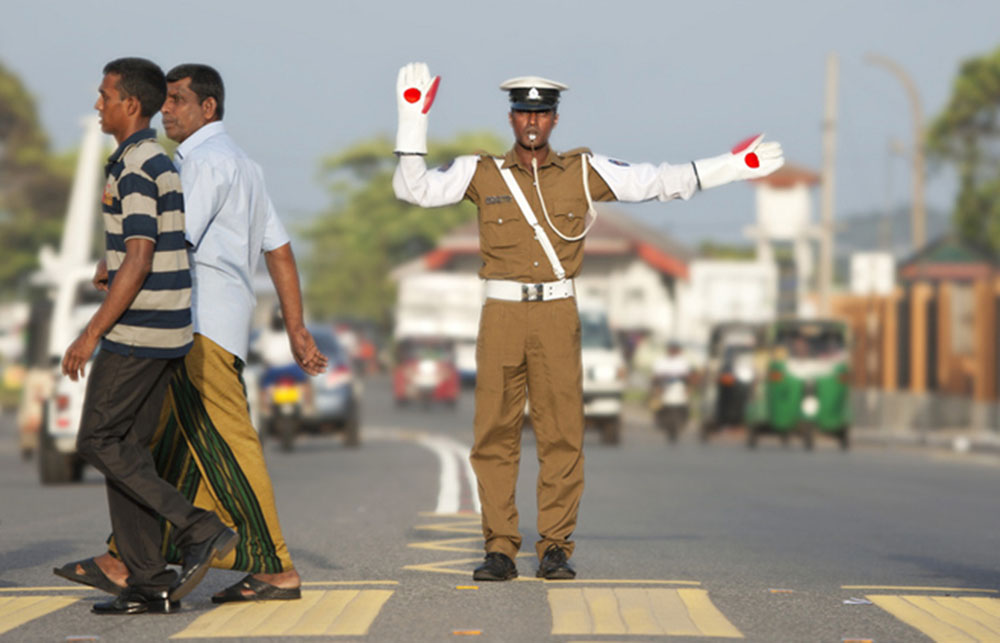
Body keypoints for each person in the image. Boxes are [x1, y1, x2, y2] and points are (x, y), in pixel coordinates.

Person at [392, 62, 784, 580]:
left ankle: (554, 547)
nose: (532, 122)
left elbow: (657, 182)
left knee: (561, 434)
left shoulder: (582, 170)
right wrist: (411, 118)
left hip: (557, 311)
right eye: (524, 112)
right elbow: (413, 189)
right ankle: (500, 548)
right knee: (494, 434)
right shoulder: (480, 171)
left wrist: (732, 166)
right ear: (512, 118)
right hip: (502, 312)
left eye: (542, 113)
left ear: (555, 120)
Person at [55, 63, 326, 604]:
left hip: (192, 322)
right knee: (155, 445)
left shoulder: (198, 164)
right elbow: (279, 249)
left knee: (226, 444)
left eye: (178, 100)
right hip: (219, 322)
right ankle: (129, 560)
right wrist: (294, 325)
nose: (167, 110)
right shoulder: (244, 165)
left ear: (209, 109)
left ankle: (273, 566)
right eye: (167, 100)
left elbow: (157, 242)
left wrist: (108, 276)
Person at [59, 57, 237, 614]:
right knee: (127, 450)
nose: (98, 104)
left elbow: (139, 258)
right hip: (168, 327)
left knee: (98, 440)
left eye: (104, 95)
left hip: (139, 332)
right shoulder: (156, 162)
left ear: (129, 105)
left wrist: (90, 333)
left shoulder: (136, 165)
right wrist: (109, 262)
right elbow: (149, 244)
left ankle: (197, 526)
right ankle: (150, 579)